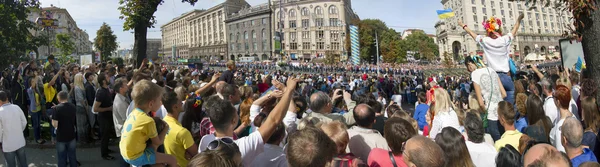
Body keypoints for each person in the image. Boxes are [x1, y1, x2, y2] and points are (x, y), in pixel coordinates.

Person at [198, 77, 299, 166]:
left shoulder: (205, 141)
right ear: (233, 121)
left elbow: (258, 107)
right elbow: (273, 120)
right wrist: (288, 89)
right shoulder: (242, 147)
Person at [458, 13, 524, 106]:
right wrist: (519, 19)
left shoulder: (485, 41)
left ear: (488, 31)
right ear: (499, 29)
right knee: (510, 108)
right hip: (506, 77)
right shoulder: (505, 39)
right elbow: (515, 29)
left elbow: (472, 34)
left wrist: (463, 25)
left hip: (494, 78)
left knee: (497, 107)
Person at [119, 80, 177, 167]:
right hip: (136, 157)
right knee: (172, 159)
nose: (161, 103)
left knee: (159, 161)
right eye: (159, 100)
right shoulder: (148, 121)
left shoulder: (134, 113)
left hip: (125, 154)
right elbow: (158, 142)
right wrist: (166, 128)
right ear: (150, 104)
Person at [464, 55, 507, 141]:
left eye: (468, 68)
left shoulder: (475, 74)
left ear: (470, 64)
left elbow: (480, 102)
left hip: (491, 115)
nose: (469, 70)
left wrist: (486, 110)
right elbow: (504, 94)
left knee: (495, 143)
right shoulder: (492, 70)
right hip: (501, 110)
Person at [162, 88, 198, 166]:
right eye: (180, 102)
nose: (182, 103)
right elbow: (197, 155)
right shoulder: (182, 132)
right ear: (175, 107)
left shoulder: (163, 122)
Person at [0, 91, 28, 167]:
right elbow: (24, 122)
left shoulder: (0, 112)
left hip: (8, 144)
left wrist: (1, 140)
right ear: (7, 98)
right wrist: (18, 130)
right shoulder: (16, 107)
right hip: (20, 141)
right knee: (23, 163)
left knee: (10, 165)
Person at [52, 91, 78, 167]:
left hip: (61, 136)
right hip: (71, 134)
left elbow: (55, 124)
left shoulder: (56, 109)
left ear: (58, 98)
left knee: (61, 158)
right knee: (72, 156)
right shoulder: (73, 106)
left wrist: (52, 117)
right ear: (67, 97)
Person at [93, 72, 115, 160]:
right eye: (107, 77)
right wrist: (109, 108)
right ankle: (104, 154)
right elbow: (95, 109)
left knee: (107, 134)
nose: (109, 78)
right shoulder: (101, 92)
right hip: (103, 118)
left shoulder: (107, 89)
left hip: (108, 117)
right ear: (103, 81)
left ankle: (106, 149)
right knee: (104, 136)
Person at [550, 85, 577, 153]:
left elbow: (561, 153)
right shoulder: (573, 117)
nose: (552, 99)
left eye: (554, 97)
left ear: (558, 102)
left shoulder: (561, 128)